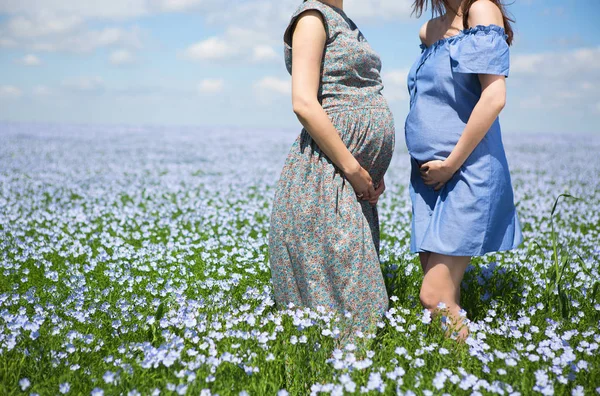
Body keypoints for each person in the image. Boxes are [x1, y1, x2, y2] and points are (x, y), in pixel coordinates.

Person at [268, 0, 395, 350]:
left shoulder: (343, 20)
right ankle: (339, 379)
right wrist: (354, 168)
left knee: (352, 301)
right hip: (325, 178)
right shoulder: (312, 17)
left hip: (350, 183)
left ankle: (345, 377)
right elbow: (303, 102)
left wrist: (372, 165)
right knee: (354, 301)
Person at [404, 0, 523, 340]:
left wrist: (450, 165)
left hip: (466, 172)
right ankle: (455, 374)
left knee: (433, 295)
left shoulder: (482, 10)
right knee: (444, 299)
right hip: (428, 180)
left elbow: (494, 97)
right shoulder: (429, 31)